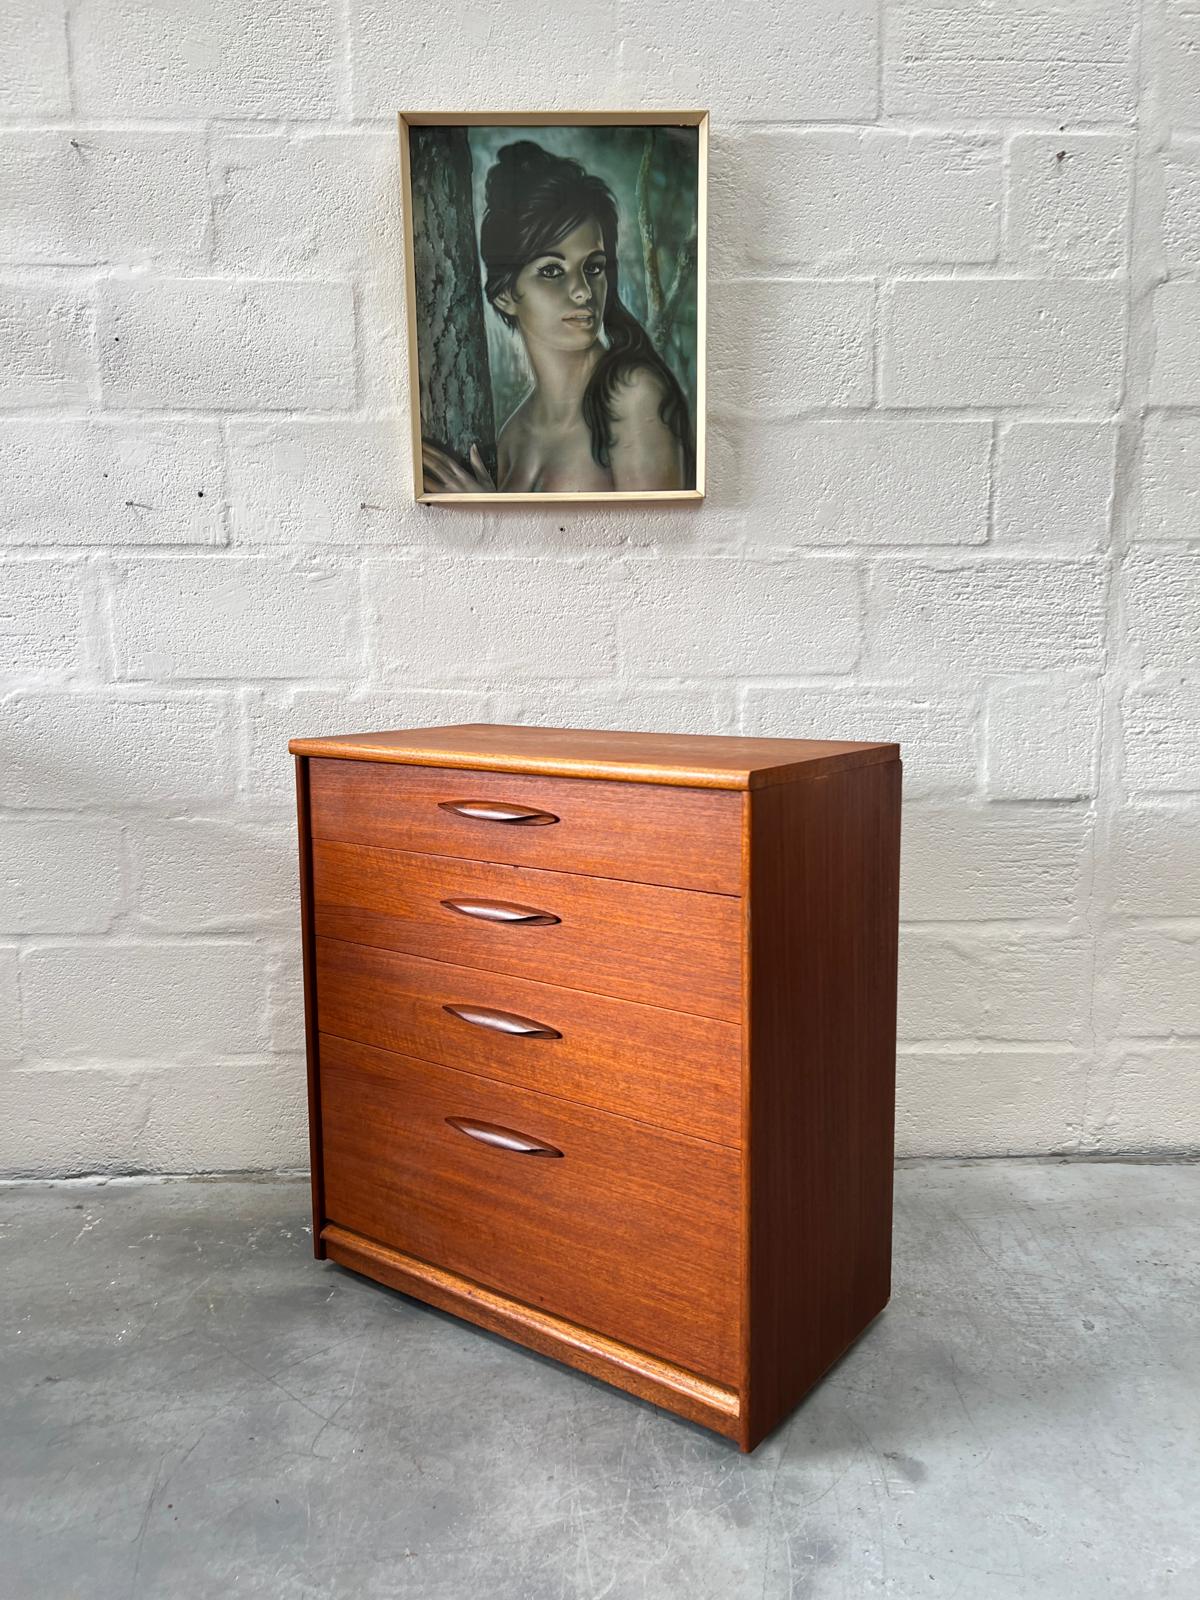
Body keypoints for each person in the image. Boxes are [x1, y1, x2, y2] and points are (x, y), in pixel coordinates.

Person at [422, 140, 695, 494]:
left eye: (593, 267)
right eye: (552, 271)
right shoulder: (512, 437)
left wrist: (491, 521)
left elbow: (661, 545)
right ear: (505, 295)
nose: (583, 291)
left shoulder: (633, 396)